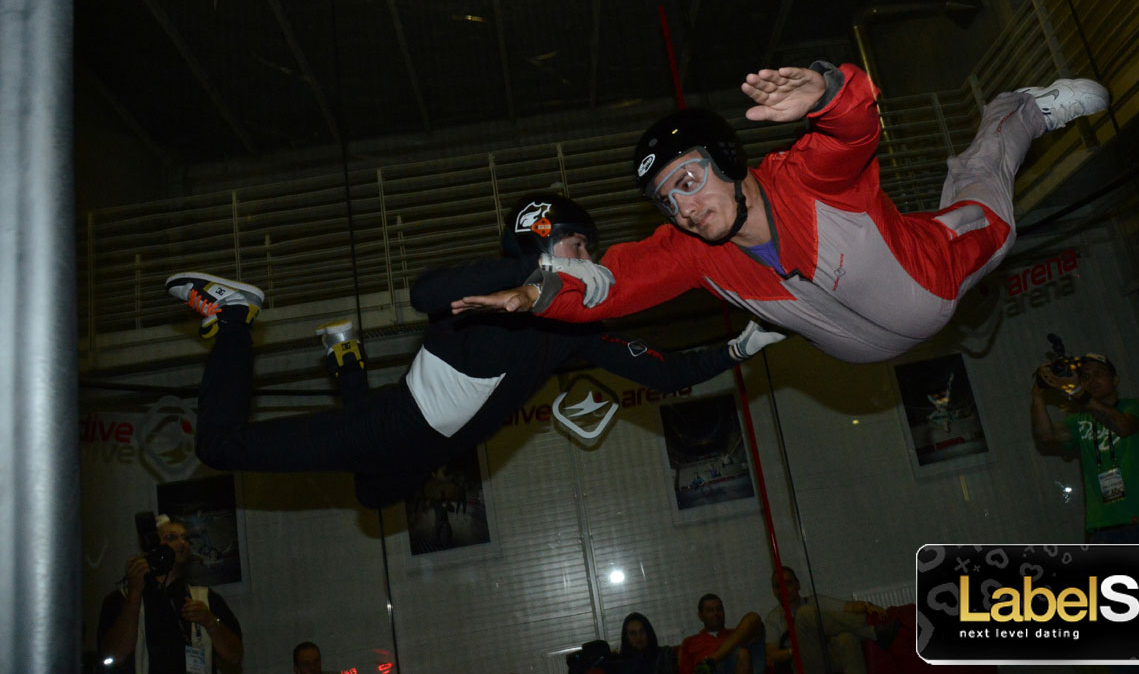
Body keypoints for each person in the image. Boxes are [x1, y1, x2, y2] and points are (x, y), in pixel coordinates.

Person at [453, 63, 1110, 364]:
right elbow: (609, 285)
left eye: (688, 180)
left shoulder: (803, 179)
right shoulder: (692, 251)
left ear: (728, 157)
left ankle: (1016, 110)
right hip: (862, 344)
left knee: (987, 211)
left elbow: (854, 130)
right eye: (665, 199)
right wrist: (535, 292)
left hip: (930, 270)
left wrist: (825, 89)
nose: (682, 206)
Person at [169, 192, 784, 509]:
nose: (592, 262)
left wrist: (739, 346)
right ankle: (234, 318)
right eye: (581, 248)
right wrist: (532, 277)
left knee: (372, 495)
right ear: (546, 243)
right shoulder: (485, 296)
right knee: (217, 449)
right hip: (393, 429)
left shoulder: (574, 334)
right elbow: (423, 291)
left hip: (420, 447)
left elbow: (665, 372)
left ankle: (344, 359)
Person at [1031, 352, 1139, 543]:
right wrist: (1038, 394)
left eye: (1099, 373)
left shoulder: (1134, 407)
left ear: (1115, 380)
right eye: (1086, 377)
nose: (1092, 380)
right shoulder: (1079, 419)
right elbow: (1046, 435)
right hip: (1101, 528)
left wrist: (1079, 393)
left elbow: (1123, 426)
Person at [97, 515, 243, 673]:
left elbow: (234, 656)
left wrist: (211, 622)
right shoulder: (122, 599)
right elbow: (114, 656)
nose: (182, 543)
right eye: (171, 537)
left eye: (185, 538)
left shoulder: (205, 598)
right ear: (150, 545)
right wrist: (134, 592)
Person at [764, 565, 901, 674]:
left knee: (847, 638)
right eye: (778, 586)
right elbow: (771, 655)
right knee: (804, 614)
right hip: (805, 663)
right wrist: (793, 650)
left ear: (797, 585)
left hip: (829, 654)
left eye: (787, 583)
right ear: (774, 591)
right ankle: (871, 631)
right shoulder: (773, 618)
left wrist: (867, 606)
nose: (783, 589)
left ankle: (870, 630)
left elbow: (849, 607)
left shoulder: (814, 601)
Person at [676, 594, 765, 674]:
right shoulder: (690, 642)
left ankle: (710, 662)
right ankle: (709, 665)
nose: (716, 613)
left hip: (736, 666)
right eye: (710, 610)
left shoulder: (738, 633)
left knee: (743, 652)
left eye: (719, 609)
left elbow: (754, 621)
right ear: (700, 616)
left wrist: (711, 660)